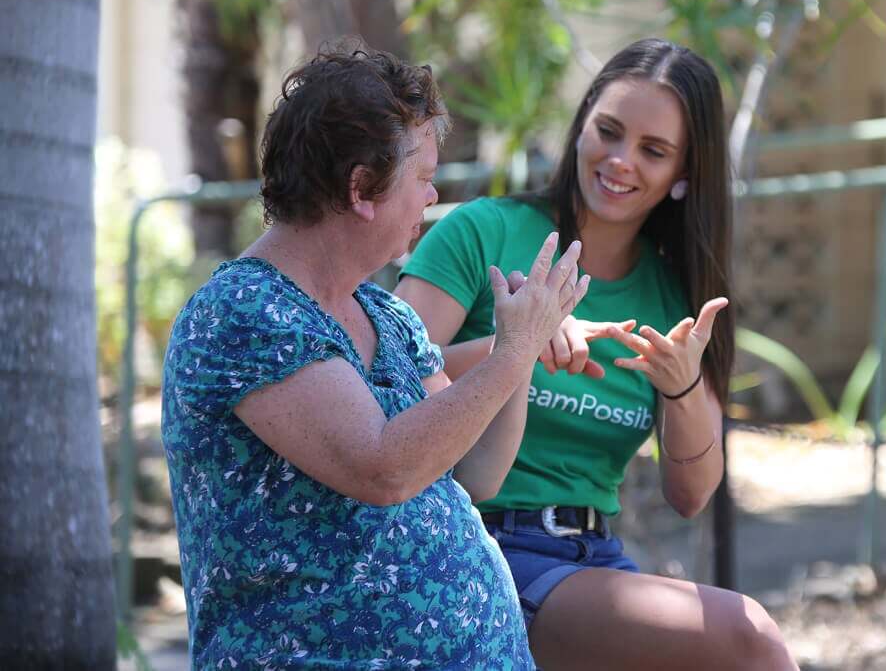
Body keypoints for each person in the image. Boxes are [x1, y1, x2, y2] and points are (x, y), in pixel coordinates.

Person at [160, 44, 589, 669]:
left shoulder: (383, 314)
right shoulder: (245, 310)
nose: (431, 194)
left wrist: (516, 350)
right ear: (362, 187)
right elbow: (383, 468)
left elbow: (476, 471)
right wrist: (512, 352)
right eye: (422, 177)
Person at [395, 38, 797, 670]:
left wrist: (683, 386)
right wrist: (515, 345)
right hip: (473, 548)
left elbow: (692, 495)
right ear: (581, 123)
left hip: (593, 559)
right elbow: (383, 383)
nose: (620, 160)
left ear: (684, 174)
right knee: (748, 639)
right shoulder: (482, 231)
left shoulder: (675, 294)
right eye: (607, 132)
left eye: (653, 151)